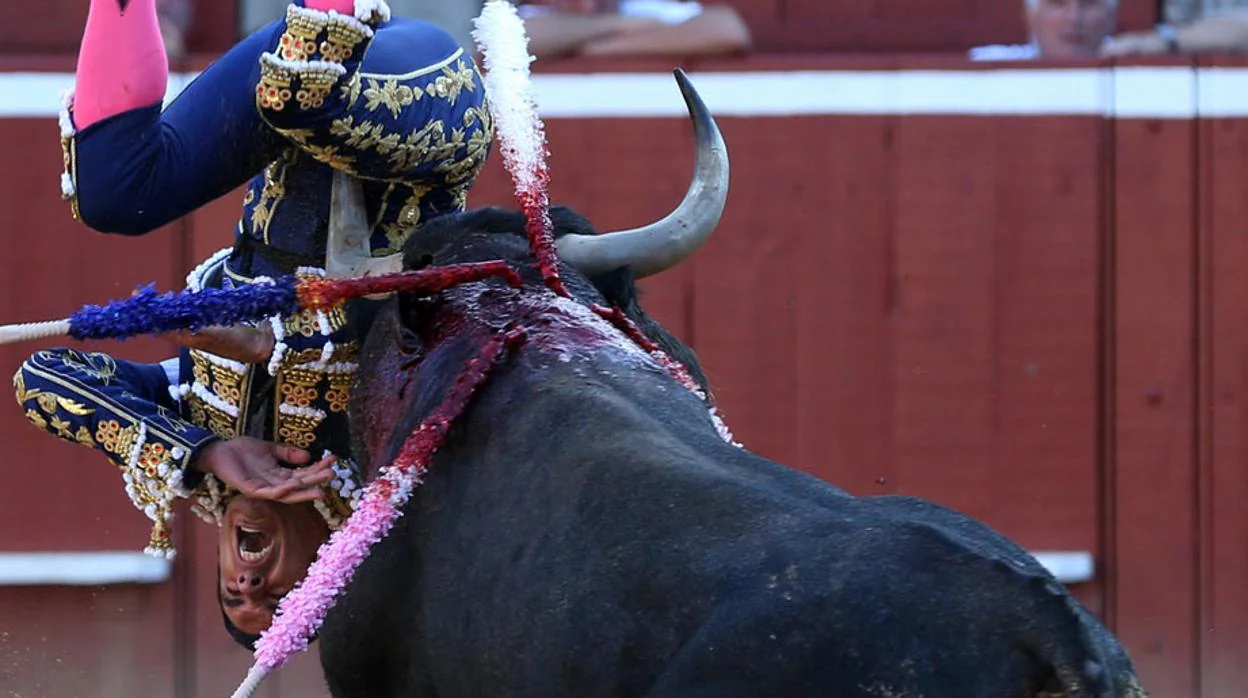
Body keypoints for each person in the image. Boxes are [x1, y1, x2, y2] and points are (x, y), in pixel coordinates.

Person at [13, 0, 493, 649]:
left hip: (295, 111)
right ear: (326, 574)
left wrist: (206, 450)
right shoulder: (380, 490)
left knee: (110, 189)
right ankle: (333, 14)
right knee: (296, 94)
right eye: (274, 598)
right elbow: (434, 333)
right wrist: (276, 342)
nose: (248, 583)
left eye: (231, 593)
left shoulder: (203, 428)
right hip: (423, 116)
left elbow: (42, 379)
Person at [969, 0, 1116, 61]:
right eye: (1057, 3)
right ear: (1031, 16)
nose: (1074, 18)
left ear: (1111, 17)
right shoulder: (989, 65)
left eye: (1089, 3)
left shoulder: (1127, 59)